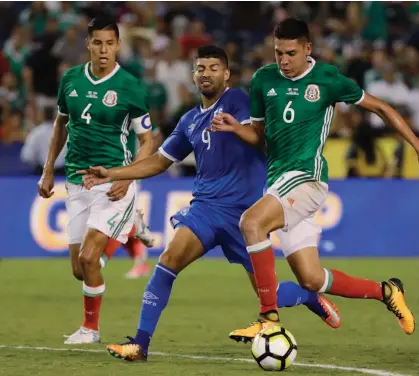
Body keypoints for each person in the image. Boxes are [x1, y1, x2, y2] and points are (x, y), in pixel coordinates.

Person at [79, 45, 341, 362]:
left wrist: (238, 127)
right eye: (201, 68)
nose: (206, 73)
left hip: (245, 216)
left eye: (214, 67)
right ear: (194, 74)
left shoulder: (240, 102)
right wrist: (112, 174)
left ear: (226, 74)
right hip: (204, 209)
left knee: (267, 292)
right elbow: (159, 162)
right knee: (168, 260)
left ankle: (308, 297)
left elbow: (262, 136)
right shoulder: (190, 119)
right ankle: (140, 343)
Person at [208, 18, 417, 341]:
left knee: (251, 223)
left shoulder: (328, 79)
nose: (284, 60)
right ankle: (387, 291)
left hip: (308, 178)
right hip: (278, 183)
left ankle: (268, 318)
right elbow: (260, 135)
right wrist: (237, 128)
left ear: (308, 49)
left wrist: (415, 143)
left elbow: (380, 108)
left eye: (291, 53)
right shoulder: (264, 80)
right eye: (278, 53)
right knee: (312, 279)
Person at [37, 16, 155, 345]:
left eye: (110, 43)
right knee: (80, 268)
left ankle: (90, 329)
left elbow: (148, 140)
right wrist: (49, 169)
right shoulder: (71, 80)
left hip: (113, 182)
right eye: (97, 43)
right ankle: (131, 226)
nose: (104, 50)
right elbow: (61, 125)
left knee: (90, 258)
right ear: (88, 44)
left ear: (118, 45)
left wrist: (129, 178)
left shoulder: (129, 85)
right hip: (76, 180)